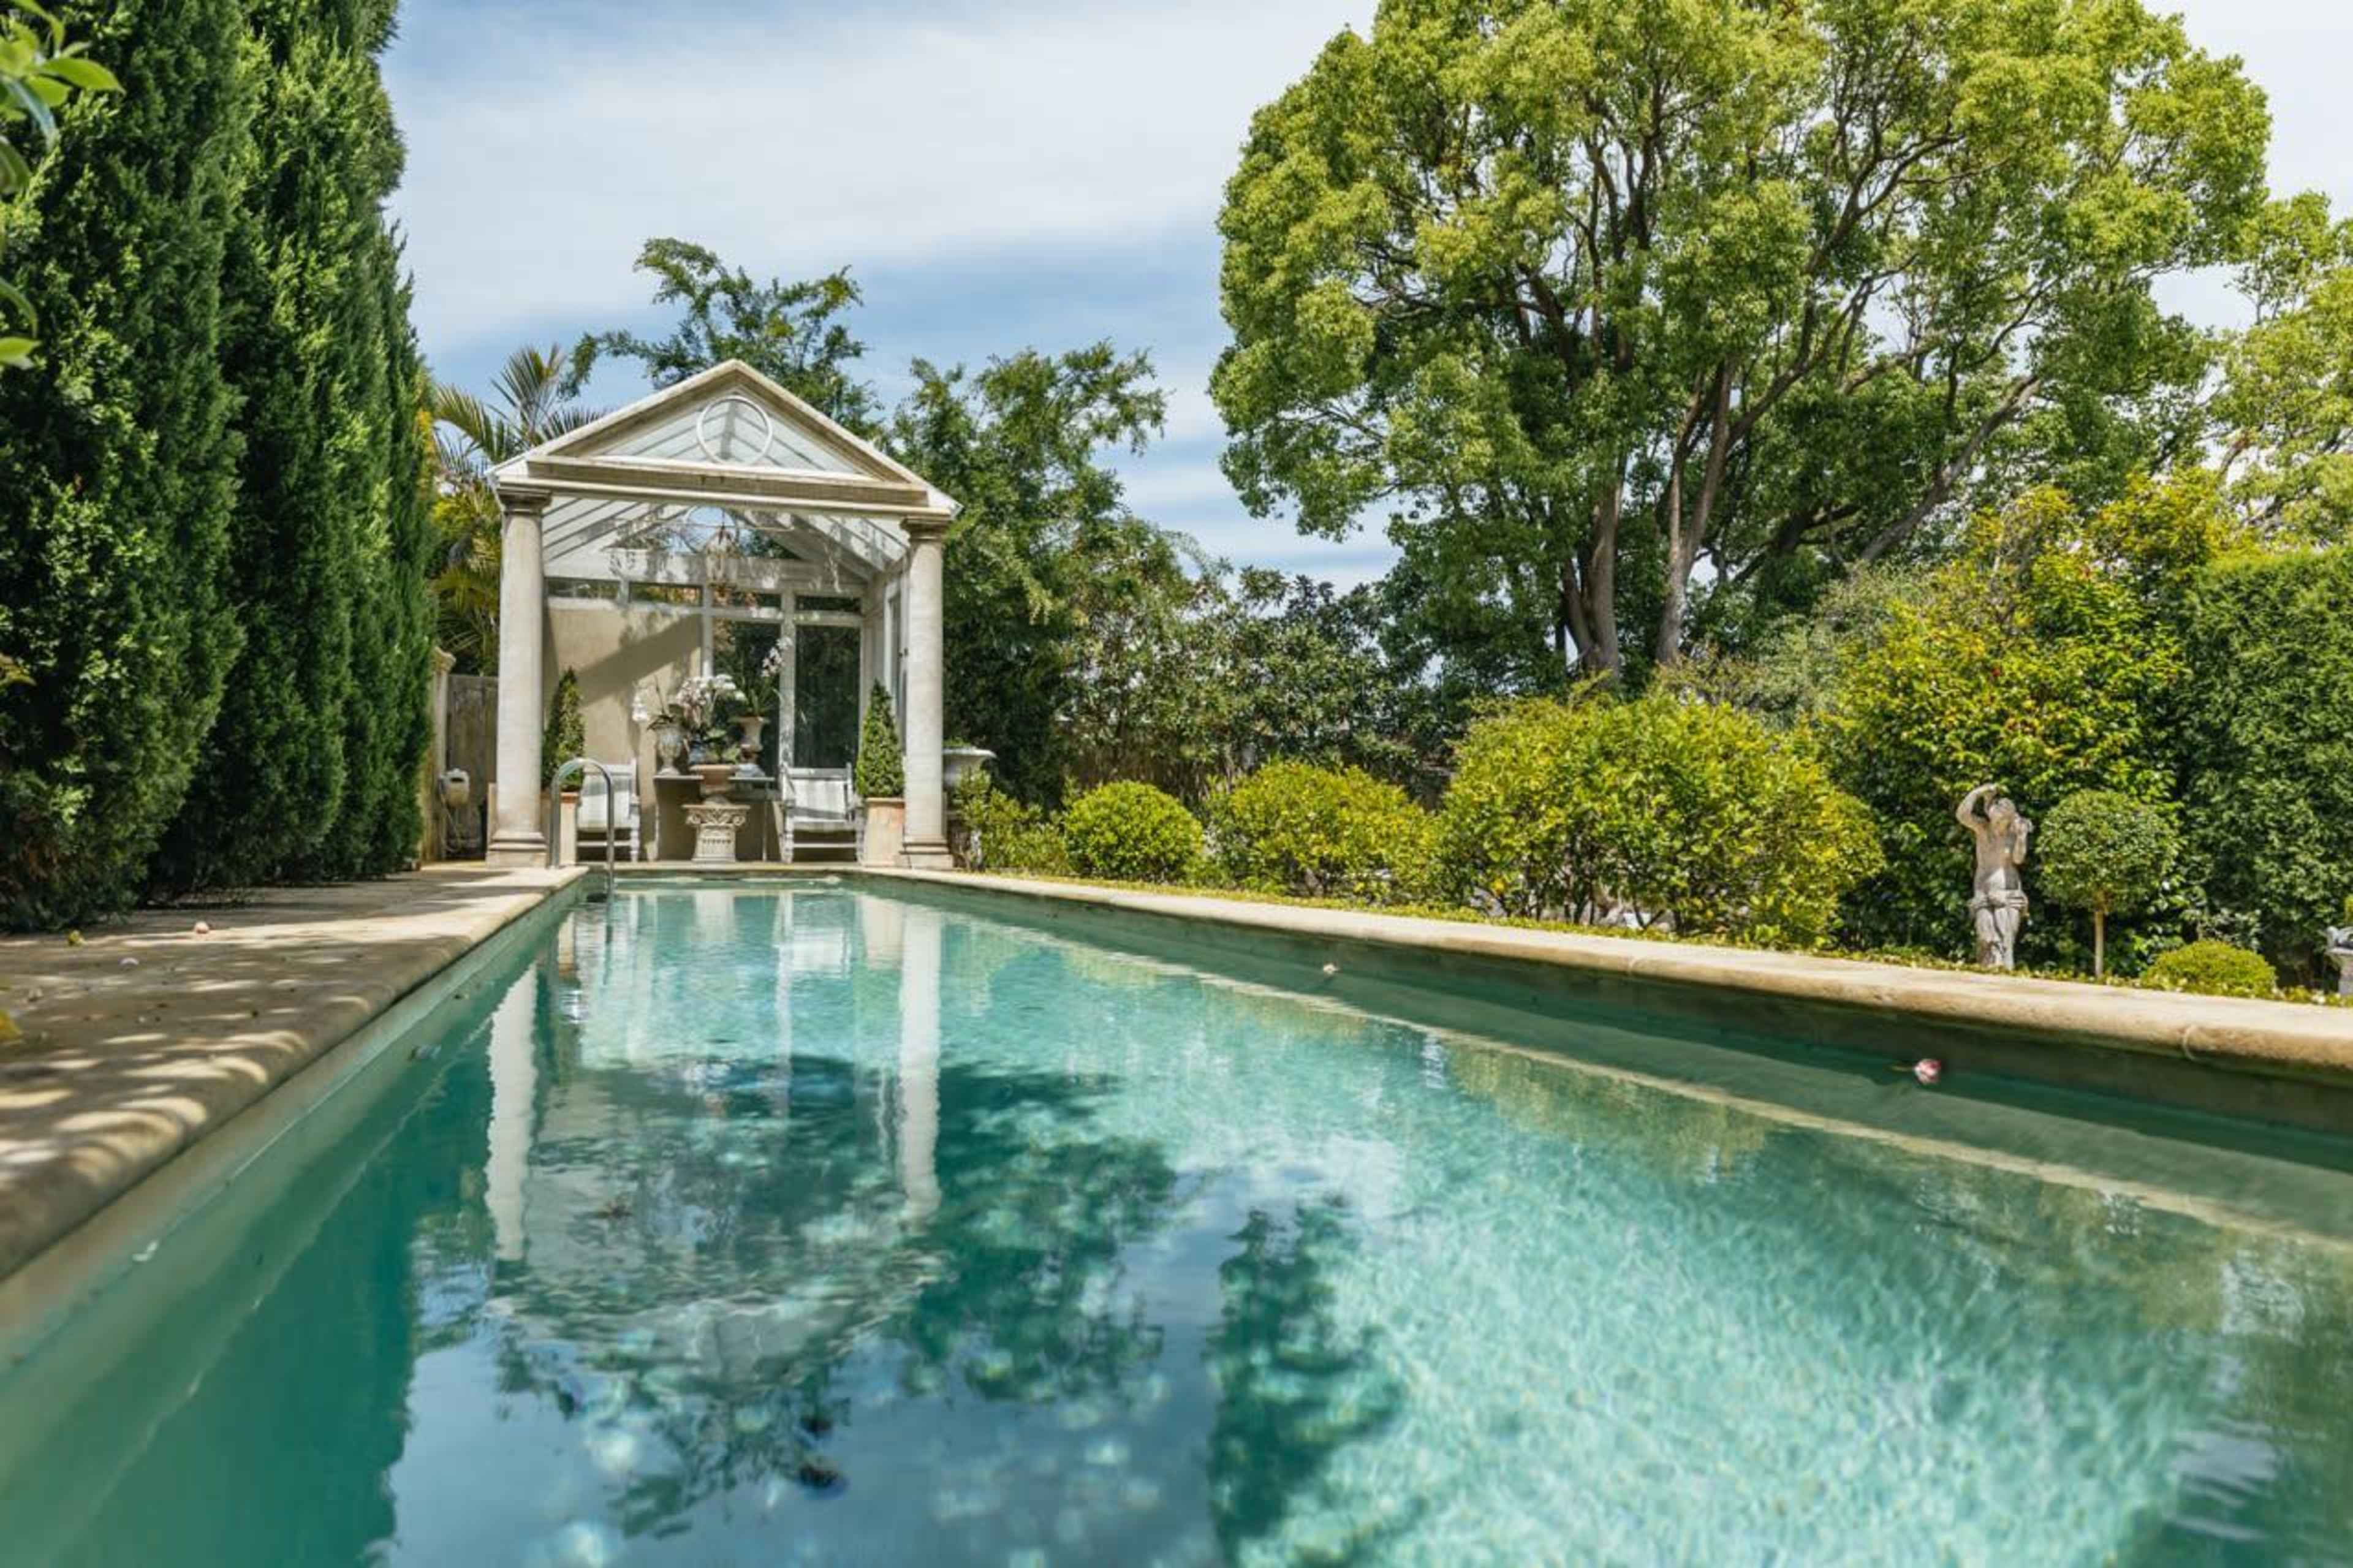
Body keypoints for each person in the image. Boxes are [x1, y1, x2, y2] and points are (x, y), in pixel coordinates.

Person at [1957, 784, 2033, 970]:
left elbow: (2018, 859)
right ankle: (1989, 972)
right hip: (1983, 890)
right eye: (1996, 821)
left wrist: (2021, 838)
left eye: (2003, 822)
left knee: (2007, 942)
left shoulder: (2012, 835)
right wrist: (1978, 792)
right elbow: (1962, 816)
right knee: (1986, 938)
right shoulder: (1982, 829)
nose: (1998, 825)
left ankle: (2006, 974)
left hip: (2008, 892)